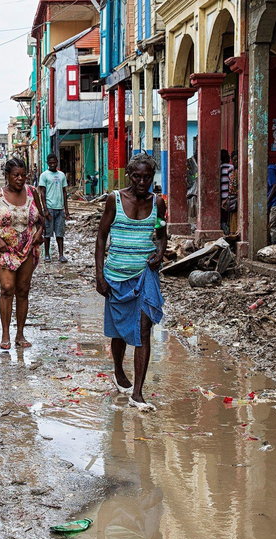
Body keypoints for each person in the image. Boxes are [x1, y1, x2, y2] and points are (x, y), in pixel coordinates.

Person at [95, 153, 166, 412]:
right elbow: (101, 238)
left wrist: (159, 253)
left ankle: (138, 392)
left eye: (147, 177)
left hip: (144, 277)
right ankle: (117, 370)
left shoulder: (158, 203)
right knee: (119, 332)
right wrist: (99, 275)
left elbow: (161, 233)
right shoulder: (114, 200)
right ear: (129, 175)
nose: (142, 181)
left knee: (143, 330)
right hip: (116, 276)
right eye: (137, 176)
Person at [0, 157, 44, 350]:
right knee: (7, 288)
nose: (20, 179)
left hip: (27, 249)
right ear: (7, 175)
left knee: (23, 290)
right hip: (6, 249)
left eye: (23, 175)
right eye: (16, 175)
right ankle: (5, 334)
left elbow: (41, 220)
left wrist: (39, 234)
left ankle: (20, 334)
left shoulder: (32, 193)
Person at [39, 154, 70, 262]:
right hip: (50, 209)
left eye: (54, 162)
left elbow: (64, 192)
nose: (52, 164)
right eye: (50, 163)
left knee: (60, 234)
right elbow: (42, 193)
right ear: (47, 163)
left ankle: (61, 255)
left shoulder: (61, 175)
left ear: (57, 162)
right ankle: (47, 255)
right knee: (47, 234)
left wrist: (66, 210)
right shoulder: (44, 175)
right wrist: (45, 210)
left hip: (60, 209)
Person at [219, 150, 235, 233]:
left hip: (220, 197)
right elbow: (232, 183)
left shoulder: (218, 168)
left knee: (222, 218)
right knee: (228, 217)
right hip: (228, 197)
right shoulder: (230, 167)